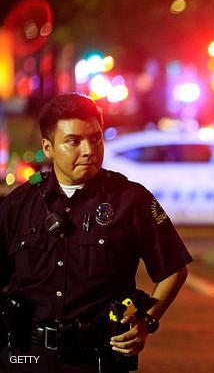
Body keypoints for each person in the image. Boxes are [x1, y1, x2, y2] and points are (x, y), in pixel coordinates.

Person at [0, 94, 192, 372]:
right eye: (73, 141)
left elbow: (173, 269)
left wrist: (147, 321)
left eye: (96, 138)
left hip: (97, 359)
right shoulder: (19, 203)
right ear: (48, 147)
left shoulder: (130, 200)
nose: (89, 149)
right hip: (26, 357)